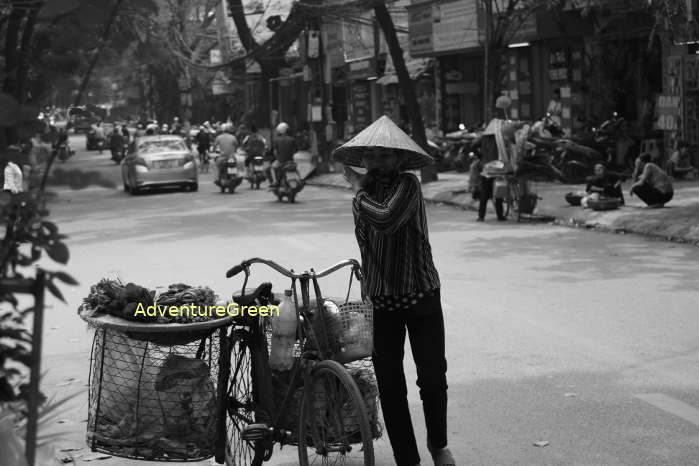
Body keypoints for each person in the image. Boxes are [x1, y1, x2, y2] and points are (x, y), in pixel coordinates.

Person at [335, 115, 454, 466]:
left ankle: (438, 446)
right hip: (381, 301)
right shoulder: (364, 195)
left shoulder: (409, 185)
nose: (378, 162)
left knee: (432, 378)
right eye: (372, 155)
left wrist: (358, 192)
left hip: (421, 296)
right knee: (390, 385)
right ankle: (407, 458)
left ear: (400, 159)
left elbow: (386, 219)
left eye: (386, 155)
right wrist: (360, 192)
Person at [270, 122, 296, 187]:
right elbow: (295, 150)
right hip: (290, 161)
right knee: (296, 169)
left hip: (280, 161)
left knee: (272, 168)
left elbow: (275, 152)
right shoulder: (292, 139)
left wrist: (277, 157)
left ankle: (275, 181)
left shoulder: (276, 140)